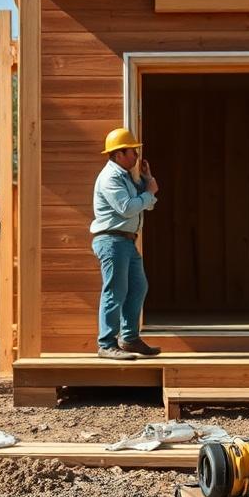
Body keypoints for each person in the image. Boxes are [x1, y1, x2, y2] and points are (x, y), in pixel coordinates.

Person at [89, 127, 161, 360]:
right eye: (132, 151)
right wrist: (149, 192)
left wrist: (147, 182)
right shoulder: (110, 178)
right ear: (119, 154)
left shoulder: (125, 177)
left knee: (138, 287)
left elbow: (147, 203)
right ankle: (106, 344)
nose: (137, 156)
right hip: (112, 241)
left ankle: (129, 339)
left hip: (125, 242)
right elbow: (128, 208)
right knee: (115, 291)